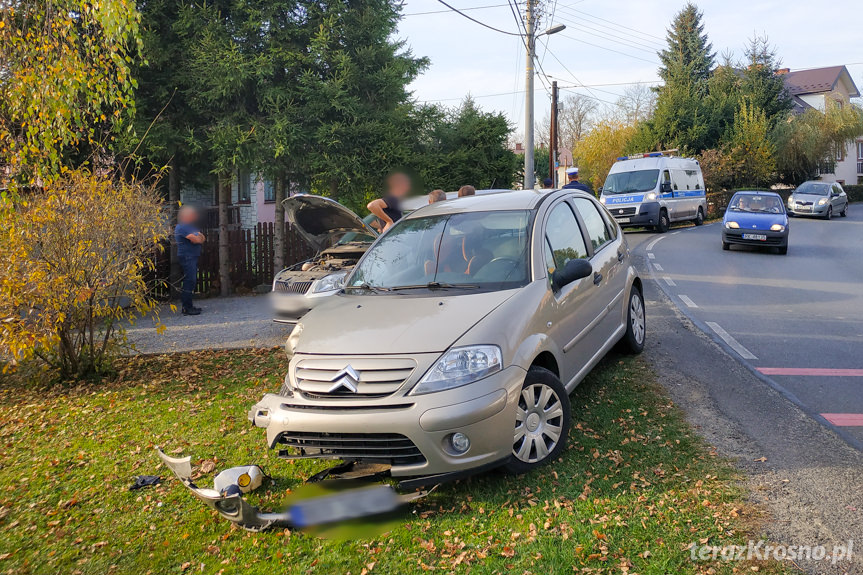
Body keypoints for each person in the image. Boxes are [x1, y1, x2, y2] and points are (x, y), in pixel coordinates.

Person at [174, 205, 206, 315]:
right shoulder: (181, 227)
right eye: (192, 214)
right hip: (187, 257)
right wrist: (197, 238)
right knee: (189, 281)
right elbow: (196, 238)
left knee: (191, 281)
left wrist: (198, 238)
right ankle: (186, 308)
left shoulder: (190, 227)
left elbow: (202, 238)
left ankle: (189, 306)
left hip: (192, 256)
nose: (194, 216)